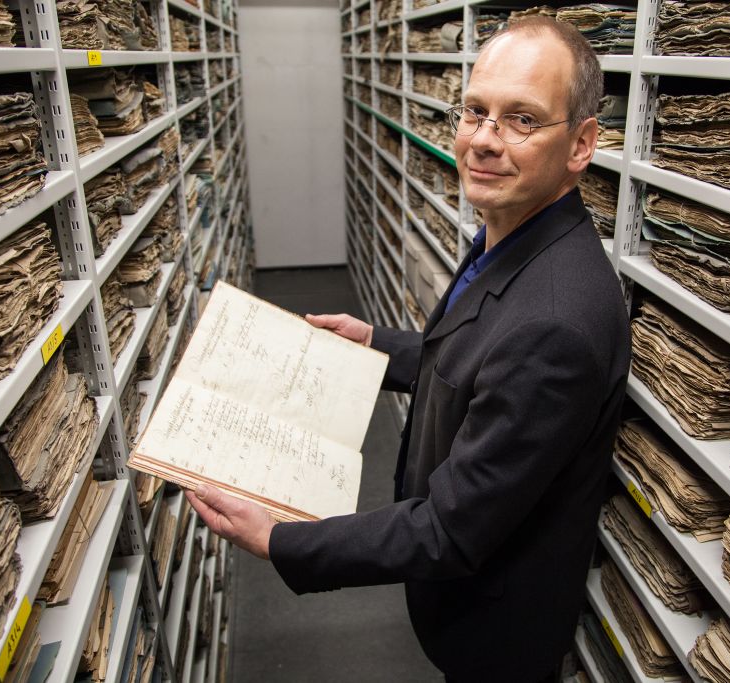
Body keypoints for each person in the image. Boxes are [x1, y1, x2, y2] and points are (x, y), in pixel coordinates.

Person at [186, 16, 631, 682]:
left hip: (492, 631)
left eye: (521, 120)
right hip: (464, 593)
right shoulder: (515, 235)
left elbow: (448, 528)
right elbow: (481, 356)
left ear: (581, 144)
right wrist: (376, 345)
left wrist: (282, 539)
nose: (483, 139)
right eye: (476, 111)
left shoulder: (555, 323)